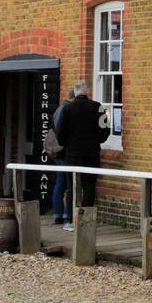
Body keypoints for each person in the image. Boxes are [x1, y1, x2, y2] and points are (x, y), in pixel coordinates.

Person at [54, 80, 110, 227]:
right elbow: (106, 130)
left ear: (75, 92)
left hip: (72, 154)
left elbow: (60, 134)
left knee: (73, 187)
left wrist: (68, 144)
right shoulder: (98, 107)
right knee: (90, 186)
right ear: (87, 92)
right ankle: (87, 220)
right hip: (92, 152)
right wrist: (98, 140)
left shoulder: (67, 109)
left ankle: (72, 221)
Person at [50, 88, 76, 229]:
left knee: (60, 184)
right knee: (68, 185)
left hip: (58, 152)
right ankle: (66, 216)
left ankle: (58, 215)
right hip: (64, 152)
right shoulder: (66, 110)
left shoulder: (59, 108)